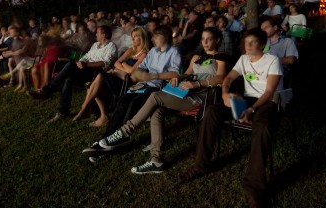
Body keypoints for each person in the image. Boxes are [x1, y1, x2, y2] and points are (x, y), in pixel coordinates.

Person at [91, 27, 230, 174]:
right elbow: (187, 73)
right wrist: (179, 77)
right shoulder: (196, 57)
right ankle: (156, 160)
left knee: (156, 96)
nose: (205, 42)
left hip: (201, 97)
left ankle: (124, 132)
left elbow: (220, 78)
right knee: (157, 111)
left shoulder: (221, 58)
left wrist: (196, 84)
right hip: (184, 93)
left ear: (218, 40)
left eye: (209, 39)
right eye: (203, 39)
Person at [178, 27, 283, 208]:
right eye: (246, 42)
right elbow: (227, 79)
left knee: (262, 127)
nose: (248, 46)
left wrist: (251, 109)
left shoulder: (272, 60)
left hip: (267, 102)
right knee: (212, 111)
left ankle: (255, 188)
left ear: (263, 45)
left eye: (253, 42)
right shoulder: (243, 59)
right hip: (247, 99)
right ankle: (201, 164)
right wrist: (225, 95)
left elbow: (269, 91)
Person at [83, 25, 182, 163]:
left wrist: (154, 75)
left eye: (155, 36)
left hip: (156, 87)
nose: (152, 39)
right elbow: (139, 69)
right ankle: (106, 139)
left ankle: (117, 139)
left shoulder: (174, 52)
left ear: (164, 37)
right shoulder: (153, 51)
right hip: (143, 83)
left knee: (134, 104)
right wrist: (140, 74)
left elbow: (175, 73)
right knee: (123, 101)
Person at [27, 25, 118, 122]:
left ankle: (47, 90)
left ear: (105, 34)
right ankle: (62, 112)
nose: (95, 34)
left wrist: (86, 64)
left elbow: (106, 62)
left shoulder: (111, 46)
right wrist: (80, 63)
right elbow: (87, 56)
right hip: (85, 70)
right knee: (68, 79)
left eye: (98, 32)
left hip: (97, 73)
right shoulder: (95, 45)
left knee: (70, 65)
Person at [72, 26, 149, 127]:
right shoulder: (130, 50)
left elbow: (132, 72)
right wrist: (123, 68)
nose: (133, 39)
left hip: (126, 84)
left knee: (100, 77)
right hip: (117, 77)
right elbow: (116, 63)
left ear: (142, 38)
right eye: (132, 36)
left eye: (136, 37)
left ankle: (85, 109)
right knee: (93, 85)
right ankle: (101, 115)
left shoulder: (144, 54)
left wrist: (122, 67)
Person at [260, 16, 298, 86]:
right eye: (262, 29)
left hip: (278, 72)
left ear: (275, 28)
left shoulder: (287, 41)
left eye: (266, 28)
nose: (264, 31)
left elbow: (291, 60)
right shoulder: (263, 43)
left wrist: (270, 61)